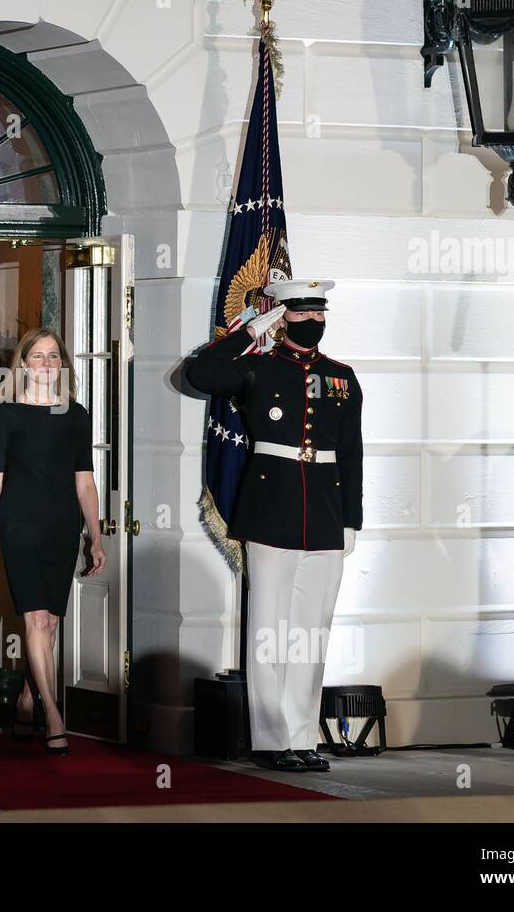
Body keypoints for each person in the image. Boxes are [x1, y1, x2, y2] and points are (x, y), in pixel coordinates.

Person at [182, 279, 363, 773]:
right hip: (270, 512)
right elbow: (200, 373)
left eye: (320, 313)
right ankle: (271, 738)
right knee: (270, 630)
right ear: (285, 318)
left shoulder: (342, 377)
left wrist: (351, 520)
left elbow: (350, 453)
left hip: (325, 516)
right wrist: (252, 330)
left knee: (312, 632)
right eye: (303, 314)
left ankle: (303, 735)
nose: (316, 322)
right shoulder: (258, 368)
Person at [0, 328, 105, 755]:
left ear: (62, 364)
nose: (46, 364)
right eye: (38, 356)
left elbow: (85, 480)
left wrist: (96, 536)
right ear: (24, 364)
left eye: (53, 357)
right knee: (34, 620)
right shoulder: (7, 414)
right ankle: (53, 712)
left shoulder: (76, 415)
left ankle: (28, 698)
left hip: (62, 527)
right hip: (20, 526)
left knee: (50, 623)